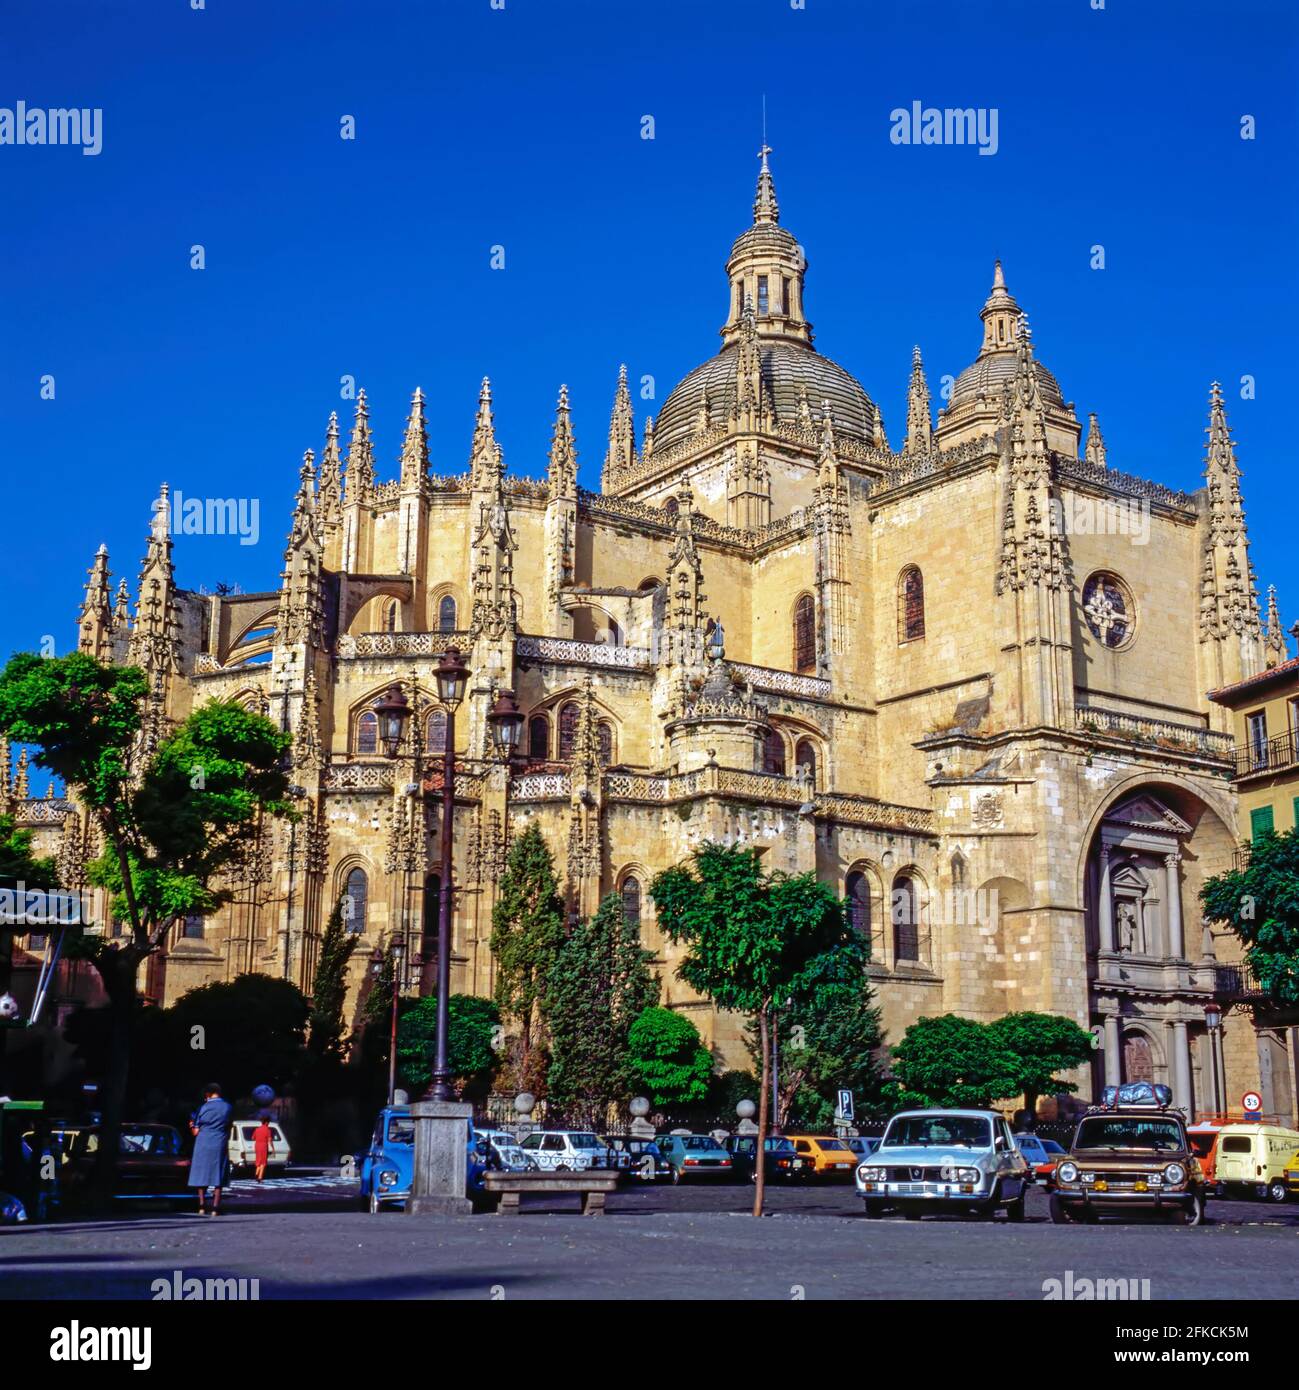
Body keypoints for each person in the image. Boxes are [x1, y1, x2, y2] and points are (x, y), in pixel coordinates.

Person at [188, 1082, 233, 1216]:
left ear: (207, 1094)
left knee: (201, 1174)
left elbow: (195, 1132)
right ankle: (215, 1208)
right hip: (219, 1142)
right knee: (218, 1175)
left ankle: (201, 1207)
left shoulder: (202, 1108)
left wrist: (191, 1125)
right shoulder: (228, 1107)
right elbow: (229, 1126)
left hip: (202, 1143)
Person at [252, 1116, 274, 1183]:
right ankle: (260, 1177)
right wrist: (273, 1148)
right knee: (263, 1162)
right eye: (268, 1122)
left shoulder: (257, 1129)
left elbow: (253, 1138)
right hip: (264, 1146)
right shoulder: (268, 1130)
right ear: (266, 1122)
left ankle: (256, 1174)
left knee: (258, 1160)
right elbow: (270, 1140)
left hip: (257, 1145)